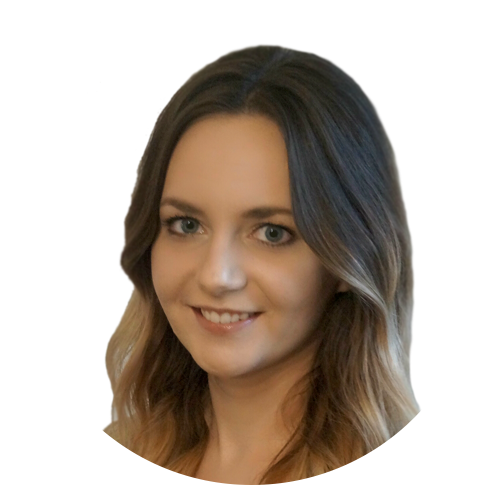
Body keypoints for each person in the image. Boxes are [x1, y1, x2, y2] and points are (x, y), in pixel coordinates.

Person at [104, 46, 419, 484]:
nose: (216, 276)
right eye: (187, 224)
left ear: (349, 257)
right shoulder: (120, 448)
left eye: (273, 233)